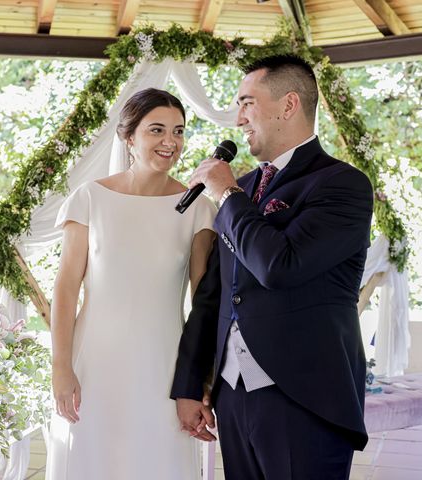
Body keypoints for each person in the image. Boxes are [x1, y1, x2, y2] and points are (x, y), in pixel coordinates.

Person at [171, 55, 374, 479]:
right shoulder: (242, 188)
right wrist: (190, 385)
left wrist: (227, 196)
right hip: (232, 395)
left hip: (305, 398)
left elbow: (280, 265)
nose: (238, 117)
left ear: (288, 105)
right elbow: (215, 294)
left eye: (247, 102)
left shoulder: (342, 184)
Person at [47, 88, 217, 480]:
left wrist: (201, 380)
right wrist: (61, 368)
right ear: (129, 138)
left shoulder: (199, 210)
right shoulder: (90, 198)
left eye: (178, 131)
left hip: (164, 367)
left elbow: (202, 302)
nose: (169, 142)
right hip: (95, 364)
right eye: (156, 130)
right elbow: (66, 289)